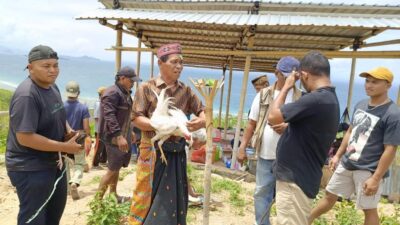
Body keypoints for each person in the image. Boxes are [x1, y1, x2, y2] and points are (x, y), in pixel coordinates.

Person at [309, 67, 400, 225]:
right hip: (347, 163)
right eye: (367, 81)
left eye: (375, 82)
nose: (369, 85)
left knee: (368, 209)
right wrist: (337, 155)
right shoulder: (361, 104)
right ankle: (305, 220)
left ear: (388, 85)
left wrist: (376, 178)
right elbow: (350, 132)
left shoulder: (393, 114)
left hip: (368, 169)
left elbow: (390, 149)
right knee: (329, 196)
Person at [5, 45, 83, 225]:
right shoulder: (27, 95)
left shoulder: (52, 87)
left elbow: (58, 113)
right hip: (30, 167)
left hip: (54, 162)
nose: (53, 70)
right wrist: (65, 147)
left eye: (55, 65)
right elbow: (25, 137)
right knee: (34, 219)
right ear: (30, 67)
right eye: (46, 66)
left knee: (53, 215)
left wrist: (69, 130)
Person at [129, 43, 206, 225]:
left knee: (175, 194)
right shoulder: (146, 88)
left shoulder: (185, 90)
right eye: (174, 62)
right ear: (160, 63)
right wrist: (159, 126)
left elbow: (203, 110)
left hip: (177, 152)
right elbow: (135, 118)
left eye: (181, 62)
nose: (179, 66)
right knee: (146, 194)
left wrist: (202, 120)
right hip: (153, 150)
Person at [268, 51, 340, 225]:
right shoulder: (329, 99)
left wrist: (286, 86)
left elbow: (272, 116)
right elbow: (313, 130)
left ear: (305, 75)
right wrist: (290, 127)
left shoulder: (316, 99)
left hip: (295, 180)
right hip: (302, 177)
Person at [237, 56, 302, 225]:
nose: (290, 80)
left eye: (294, 77)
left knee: (285, 197)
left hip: (290, 157)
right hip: (266, 154)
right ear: (276, 73)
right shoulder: (264, 95)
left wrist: (288, 127)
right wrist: (242, 147)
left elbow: (306, 127)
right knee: (261, 192)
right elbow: (251, 123)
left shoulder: (301, 97)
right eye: (286, 76)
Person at [97, 66, 140, 202]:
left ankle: (113, 195)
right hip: (114, 137)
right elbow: (110, 116)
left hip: (122, 134)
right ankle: (97, 202)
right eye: (131, 80)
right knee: (112, 169)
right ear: (122, 78)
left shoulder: (124, 92)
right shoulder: (112, 93)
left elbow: (126, 115)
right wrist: (119, 136)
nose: (133, 82)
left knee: (116, 167)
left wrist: (130, 131)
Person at [64, 80, 91, 200]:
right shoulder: (83, 108)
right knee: (79, 163)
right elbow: (86, 127)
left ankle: (66, 189)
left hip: (64, 139)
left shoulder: (60, 106)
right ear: (78, 93)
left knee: (65, 163)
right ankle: (74, 182)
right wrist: (88, 136)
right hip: (79, 138)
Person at [93, 86, 107, 167]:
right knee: (99, 147)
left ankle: (103, 160)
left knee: (105, 146)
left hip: (105, 129)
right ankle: (95, 163)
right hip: (99, 130)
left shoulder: (104, 103)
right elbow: (97, 118)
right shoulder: (99, 104)